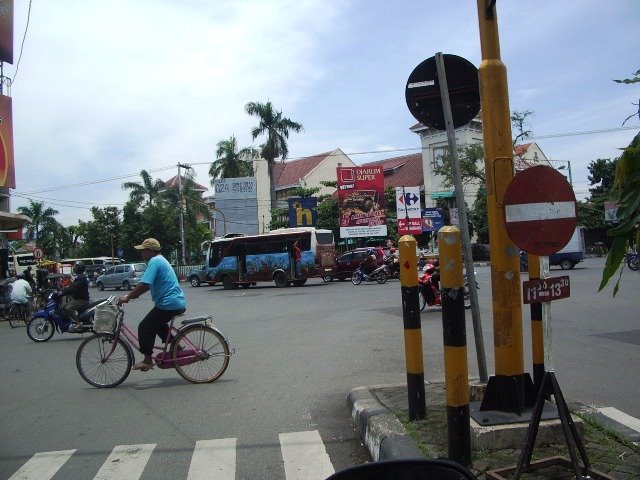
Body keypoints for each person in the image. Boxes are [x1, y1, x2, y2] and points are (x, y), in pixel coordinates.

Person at [117, 238, 186, 372]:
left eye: (143, 251)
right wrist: (134, 295)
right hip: (173, 302)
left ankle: (147, 361)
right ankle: (176, 346)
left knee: (145, 327)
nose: (141, 253)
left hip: (169, 303)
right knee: (158, 325)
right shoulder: (160, 260)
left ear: (150, 251)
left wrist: (128, 297)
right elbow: (147, 284)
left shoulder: (154, 262)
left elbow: (144, 284)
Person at [60, 262, 90, 331]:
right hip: (77, 299)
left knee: (68, 308)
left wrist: (63, 293)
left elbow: (74, 288)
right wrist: (63, 291)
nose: (74, 268)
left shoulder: (80, 277)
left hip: (81, 300)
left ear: (79, 268)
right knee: (63, 306)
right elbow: (72, 286)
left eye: (76, 267)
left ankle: (78, 323)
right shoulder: (79, 276)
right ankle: (71, 322)